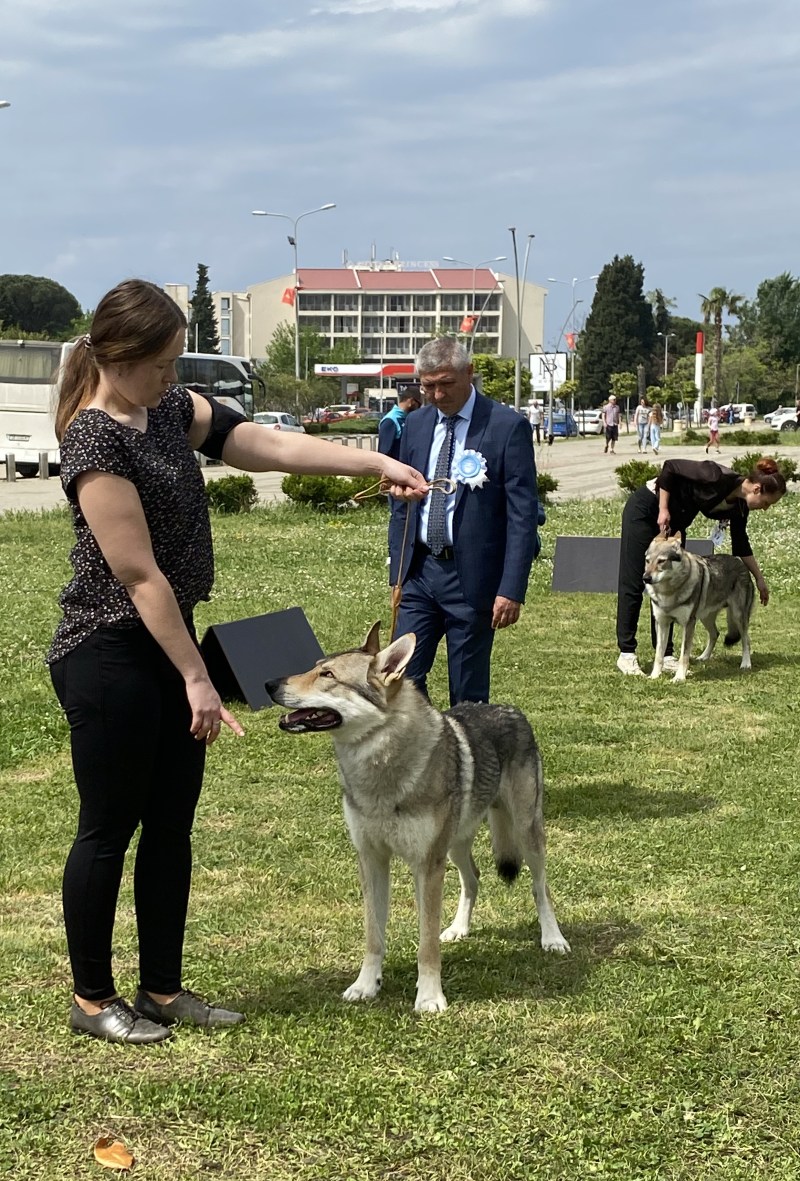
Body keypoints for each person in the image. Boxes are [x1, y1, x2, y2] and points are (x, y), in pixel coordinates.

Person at [47, 279, 428, 1045]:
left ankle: (160, 987)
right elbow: (139, 576)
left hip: (170, 639)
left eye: (174, 360)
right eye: (160, 362)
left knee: (172, 825)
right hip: (110, 651)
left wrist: (368, 462)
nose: (171, 375)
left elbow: (265, 445)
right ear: (117, 356)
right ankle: (92, 997)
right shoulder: (94, 437)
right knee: (108, 826)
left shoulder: (168, 409)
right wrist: (197, 678)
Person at [388, 337, 540, 706]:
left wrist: (511, 588)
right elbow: (400, 503)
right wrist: (398, 573)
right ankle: (423, 751)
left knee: (468, 690)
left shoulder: (507, 426)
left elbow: (523, 516)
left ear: (470, 373)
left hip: (472, 578)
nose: (437, 395)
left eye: (446, 384)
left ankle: (469, 758)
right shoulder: (416, 424)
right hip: (420, 574)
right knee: (400, 678)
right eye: (427, 386)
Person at [616, 457, 786, 675]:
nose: (765, 509)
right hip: (648, 508)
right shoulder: (715, 475)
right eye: (766, 503)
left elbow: (741, 545)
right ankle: (627, 653)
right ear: (756, 488)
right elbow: (670, 467)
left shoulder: (739, 508)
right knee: (634, 580)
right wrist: (663, 508)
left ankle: (666, 655)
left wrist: (759, 579)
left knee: (669, 584)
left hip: (676, 521)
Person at [377, 389, 421, 459]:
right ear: (411, 401)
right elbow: (384, 453)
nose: (419, 408)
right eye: (418, 404)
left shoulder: (407, 418)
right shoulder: (390, 420)